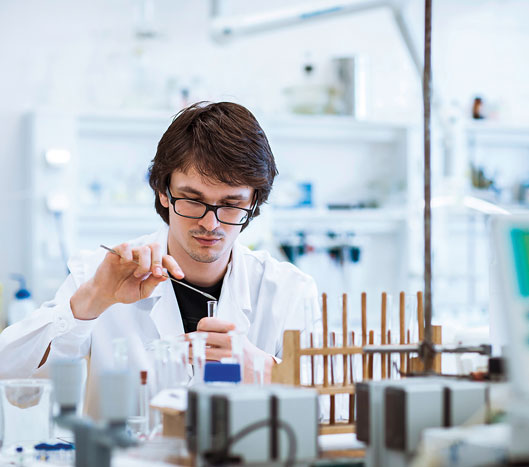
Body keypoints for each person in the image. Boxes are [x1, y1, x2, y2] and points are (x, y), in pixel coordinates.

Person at [0, 102, 318, 417]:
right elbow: (11, 378)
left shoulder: (289, 291)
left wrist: (267, 371)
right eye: (193, 200)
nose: (211, 224)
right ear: (164, 191)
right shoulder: (98, 273)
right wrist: (91, 301)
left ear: (254, 201)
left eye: (231, 204)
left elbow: (338, 409)